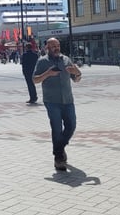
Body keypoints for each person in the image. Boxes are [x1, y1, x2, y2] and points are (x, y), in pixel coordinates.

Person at [32, 37, 82, 171]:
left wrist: (77, 73)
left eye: (58, 45)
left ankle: (59, 149)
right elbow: (35, 80)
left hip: (68, 100)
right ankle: (59, 158)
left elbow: (76, 79)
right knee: (57, 128)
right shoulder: (42, 61)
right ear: (47, 48)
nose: (56, 48)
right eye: (53, 46)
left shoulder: (66, 60)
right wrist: (48, 73)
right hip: (52, 101)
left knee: (71, 126)